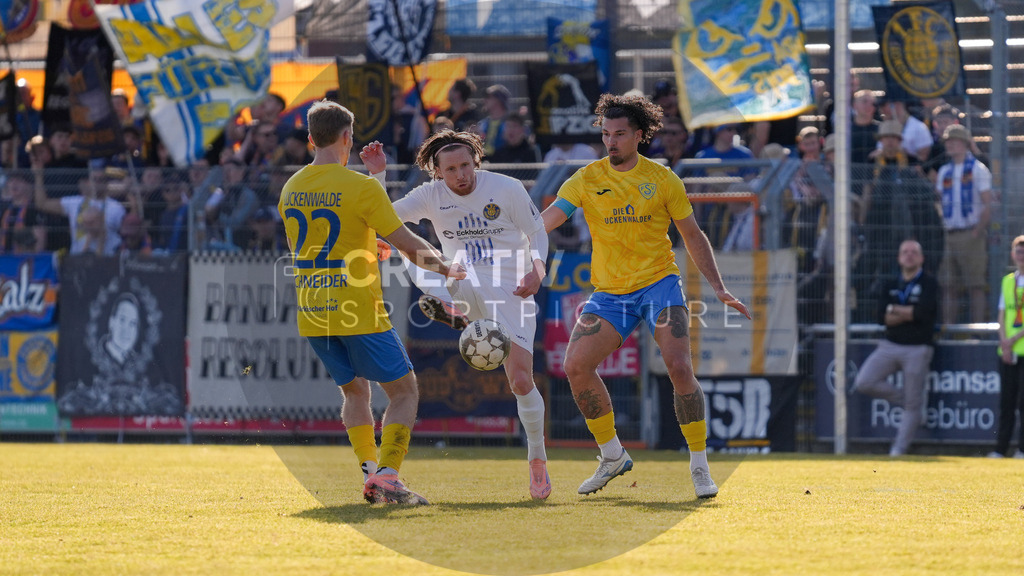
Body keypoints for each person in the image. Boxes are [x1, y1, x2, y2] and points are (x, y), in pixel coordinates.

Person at [539, 93, 750, 498]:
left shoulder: (662, 179)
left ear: (638, 135)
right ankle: (612, 455)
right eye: (605, 134)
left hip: (658, 284)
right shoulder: (586, 178)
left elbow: (692, 234)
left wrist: (719, 287)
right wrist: (520, 235)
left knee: (678, 367)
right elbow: (551, 218)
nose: (611, 142)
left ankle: (700, 465)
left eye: (619, 134)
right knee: (576, 366)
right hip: (611, 293)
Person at [278, 100, 465, 506]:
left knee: (355, 393)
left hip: (313, 310)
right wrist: (447, 267)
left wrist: (366, 235)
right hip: (357, 307)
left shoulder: (291, 187)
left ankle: (370, 471)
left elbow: (314, 240)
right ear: (347, 137)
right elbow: (408, 244)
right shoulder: (359, 187)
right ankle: (390, 476)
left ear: (311, 138)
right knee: (404, 392)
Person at [360, 129, 554, 500]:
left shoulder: (507, 188)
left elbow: (537, 232)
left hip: (512, 288)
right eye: (451, 169)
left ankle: (537, 460)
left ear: (476, 161)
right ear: (437, 171)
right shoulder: (430, 195)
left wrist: (538, 270)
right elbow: (382, 217)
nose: (461, 175)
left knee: (520, 382)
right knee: (420, 252)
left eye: (466, 165)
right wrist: (378, 176)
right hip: (460, 274)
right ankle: (460, 308)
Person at [852, 239, 939, 457]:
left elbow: (923, 315)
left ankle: (898, 451)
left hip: (918, 348)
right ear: (899, 258)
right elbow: (882, 317)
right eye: (905, 252)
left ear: (921, 258)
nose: (909, 255)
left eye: (914, 252)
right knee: (864, 382)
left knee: (912, 404)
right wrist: (907, 312)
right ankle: (913, 404)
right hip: (889, 344)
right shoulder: (890, 283)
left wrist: (896, 310)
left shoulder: (930, 283)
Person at [935, 124, 992, 324]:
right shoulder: (944, 171)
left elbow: (988, 202)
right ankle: (948, 330)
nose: (950, 144)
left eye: (954, 141)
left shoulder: (978, 169)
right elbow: (940, 202)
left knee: (975, 286)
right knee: (948, 286)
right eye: (948, 141)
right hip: (949, 234)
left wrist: (978, 230)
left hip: (971, 233)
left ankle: (977, 331)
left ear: (965, 144)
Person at [990, 235, 1024, 458]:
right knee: (1006, 402)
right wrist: (1004, 341)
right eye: (1018, 251)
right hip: (1008, 350)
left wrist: (1012, 340)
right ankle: (1000, 449)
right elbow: (1002, 315)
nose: (1021, 256)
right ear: (1013, 255)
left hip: (1019, 347)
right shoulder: (1007, 281)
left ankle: (1022, 449)